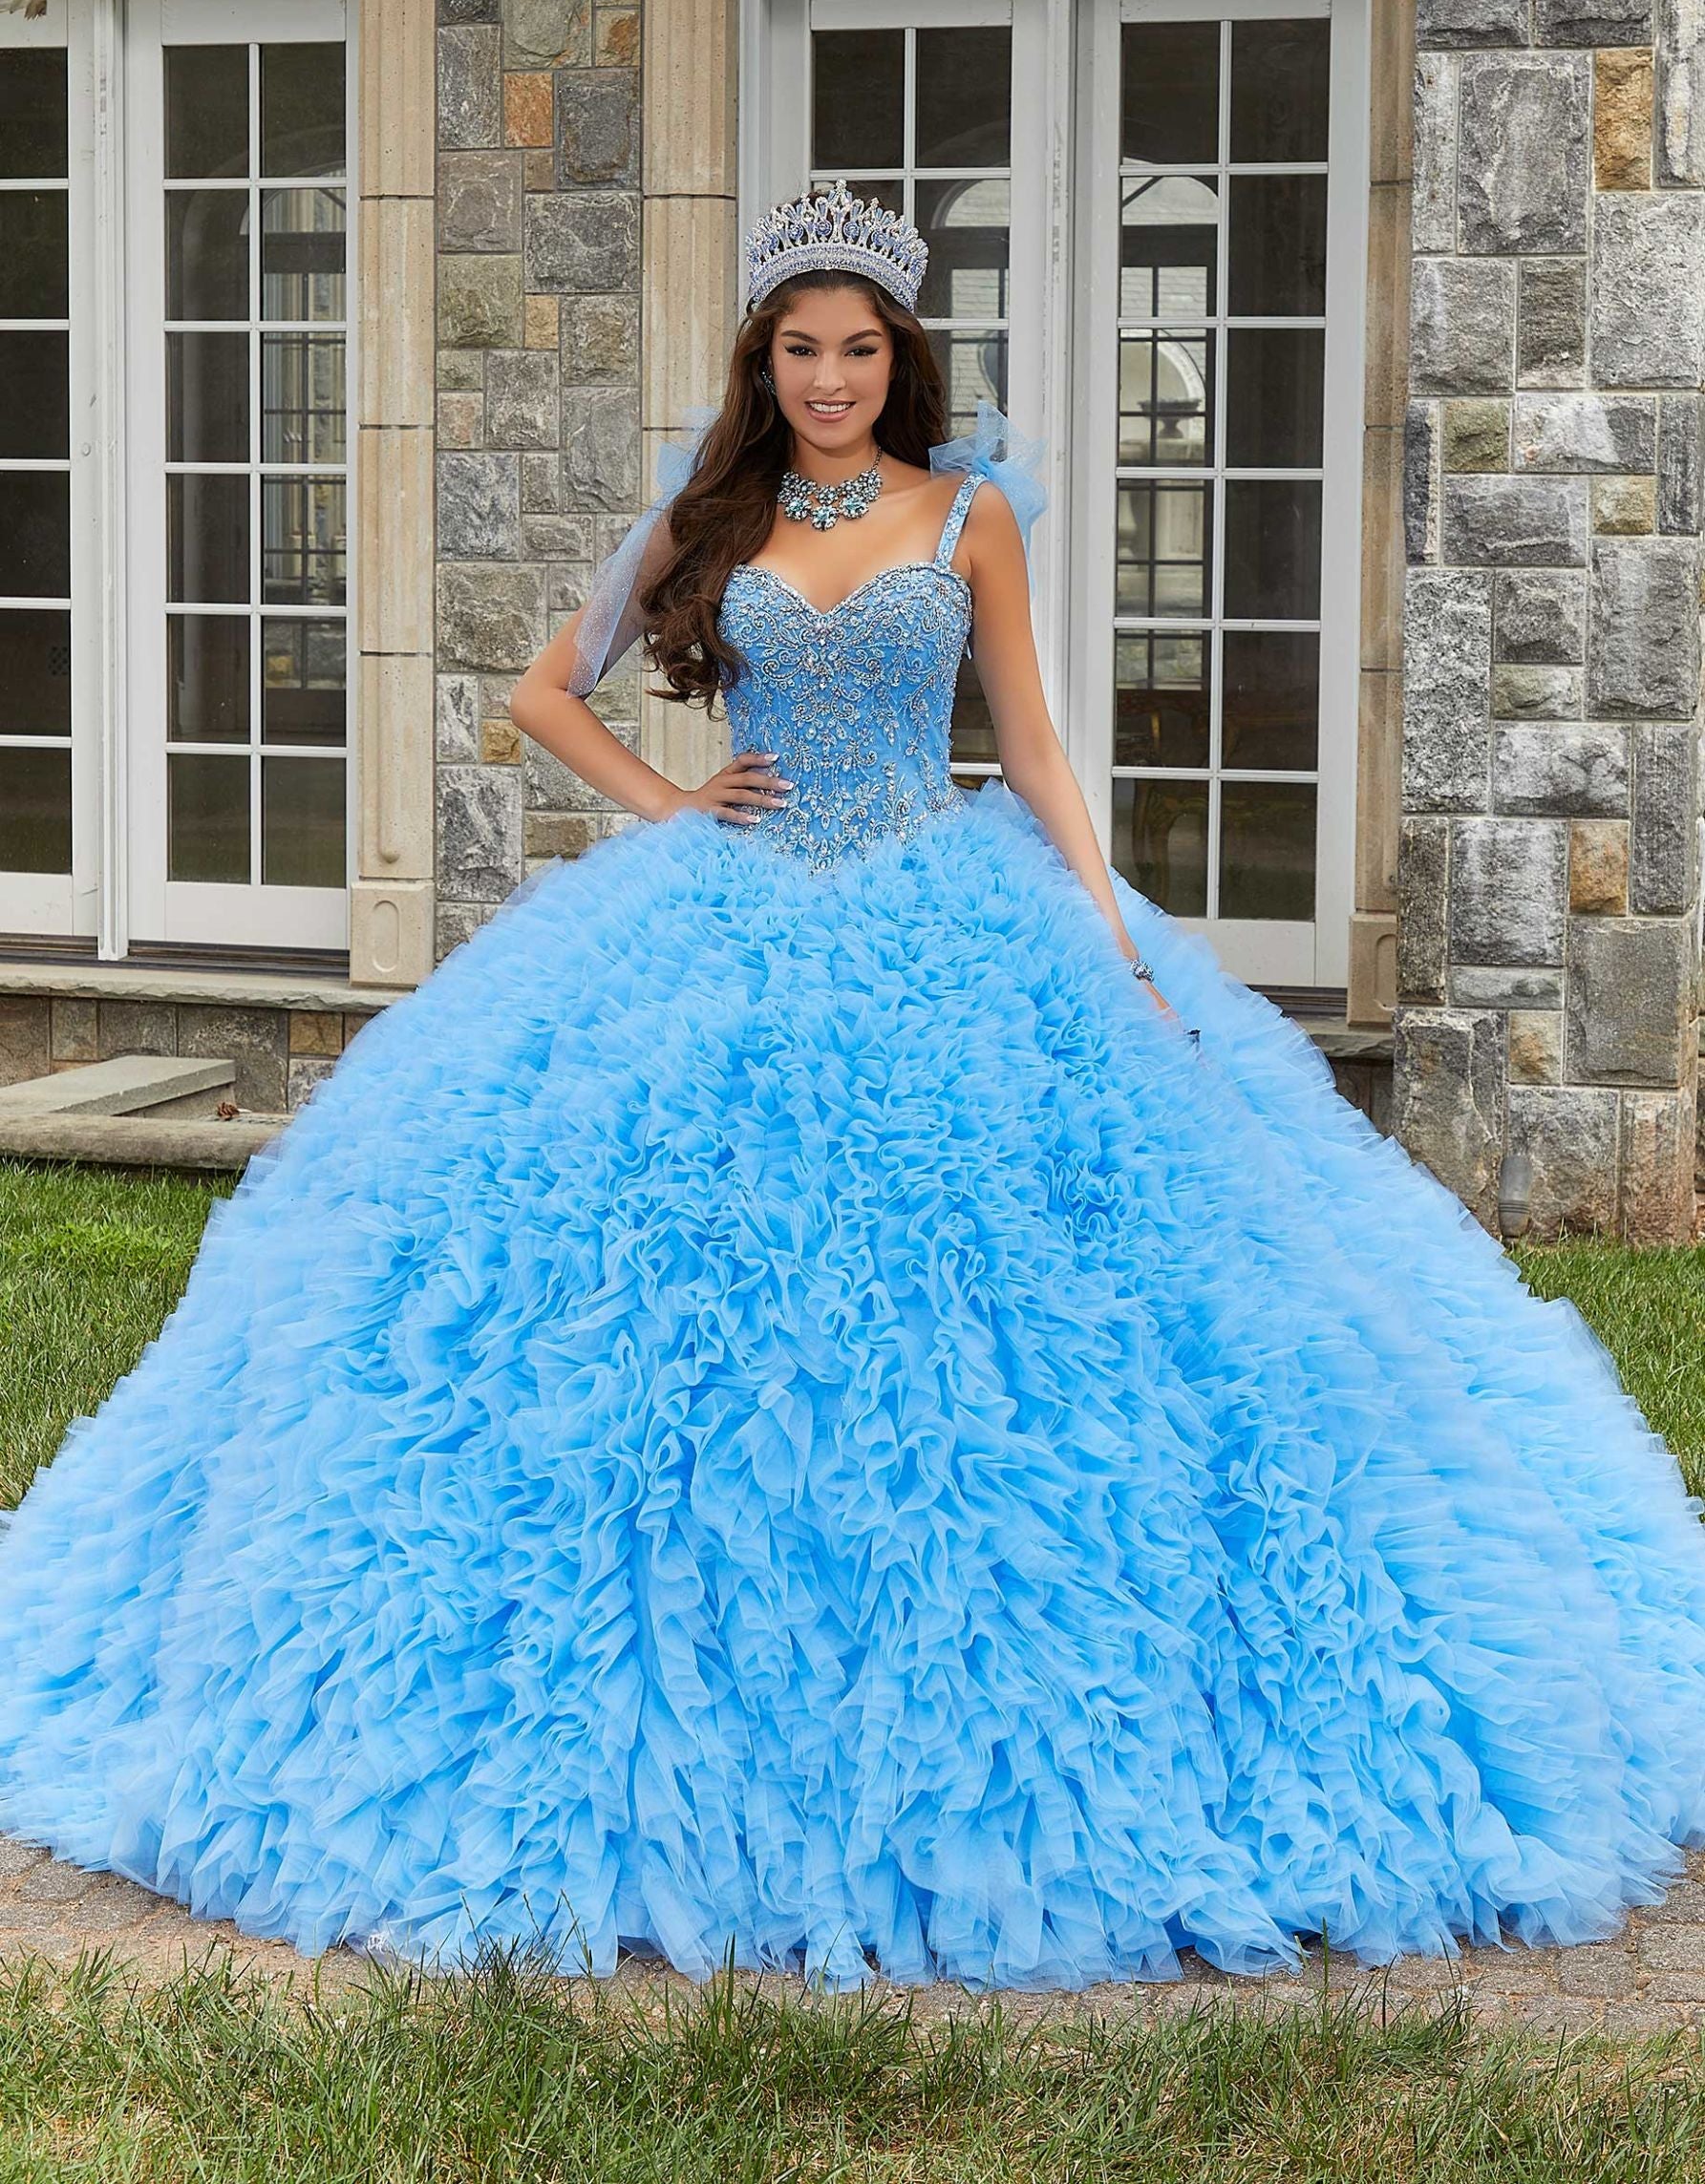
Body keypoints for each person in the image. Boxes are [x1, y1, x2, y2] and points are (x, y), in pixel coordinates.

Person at [0, 180, 1702, 1997]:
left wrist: (1117, 928)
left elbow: (1031, 737)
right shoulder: (709, 513)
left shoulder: (964, 515)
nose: (830, 377)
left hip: (937, 897)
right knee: (618, 1289)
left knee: (1046, 1300)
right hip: (720, 915)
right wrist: (670, 806)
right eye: (802, 349)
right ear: (767, 360)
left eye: (859, 347)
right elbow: (541, 691)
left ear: (902, 354)